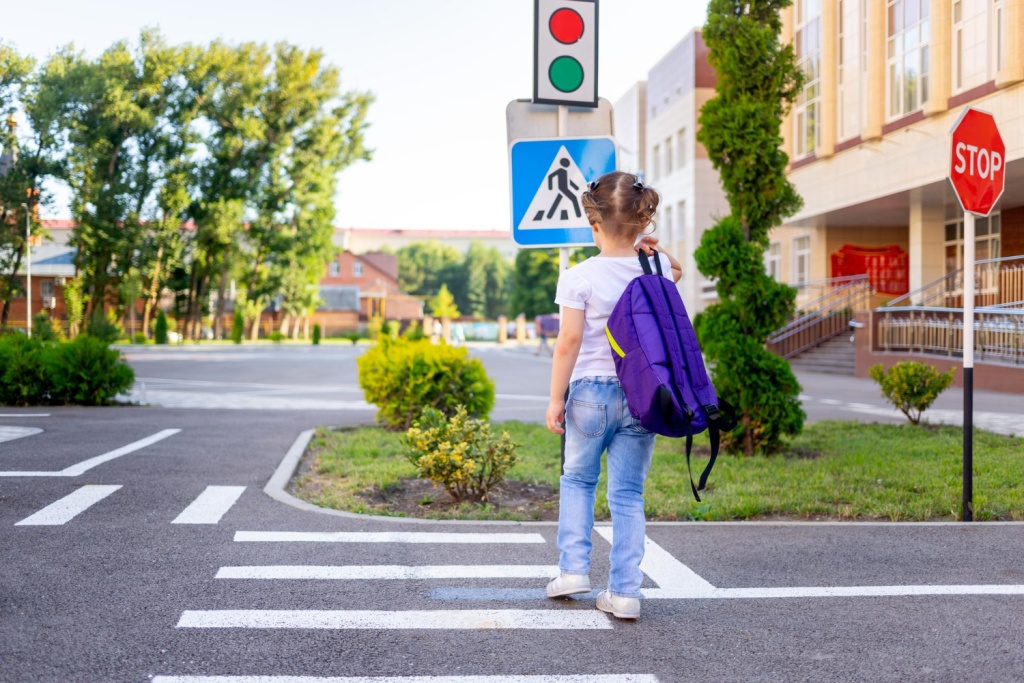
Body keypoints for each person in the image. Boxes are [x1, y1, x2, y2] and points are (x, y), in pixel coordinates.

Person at [544, 171, 682, 620]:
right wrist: (657, 249)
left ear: (594, 223)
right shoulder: (653, 267)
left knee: (578, 480)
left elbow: (567, 342)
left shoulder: (578, 276)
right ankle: (624, 592)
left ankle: (573, 571)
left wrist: (554, 399)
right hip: (644, 393)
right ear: (642, 225)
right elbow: (677, 272)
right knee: (627, 494)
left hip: (590, 392)